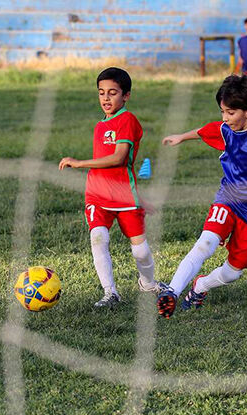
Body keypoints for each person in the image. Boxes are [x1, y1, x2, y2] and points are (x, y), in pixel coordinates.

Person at [156, 75, 247, 318]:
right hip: (228, 198)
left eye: (230, 112)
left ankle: (200, 286)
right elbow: (204, 130)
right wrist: (181, 137)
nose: (224, 118)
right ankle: (171, 292)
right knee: (205, 242)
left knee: (233, 272)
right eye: (222, 111)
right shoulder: (225, 130)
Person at [59, 66, 164, 308]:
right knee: (98, 237)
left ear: (126, 96)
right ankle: (110, 293)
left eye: (113, 93)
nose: (106, 98)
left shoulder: (127, 120)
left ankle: (147, 283)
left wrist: (80, 162)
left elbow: (119, 158)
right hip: (96, 194)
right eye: (101, 93)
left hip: (124, 196)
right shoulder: (100, 125)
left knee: (140, 251)